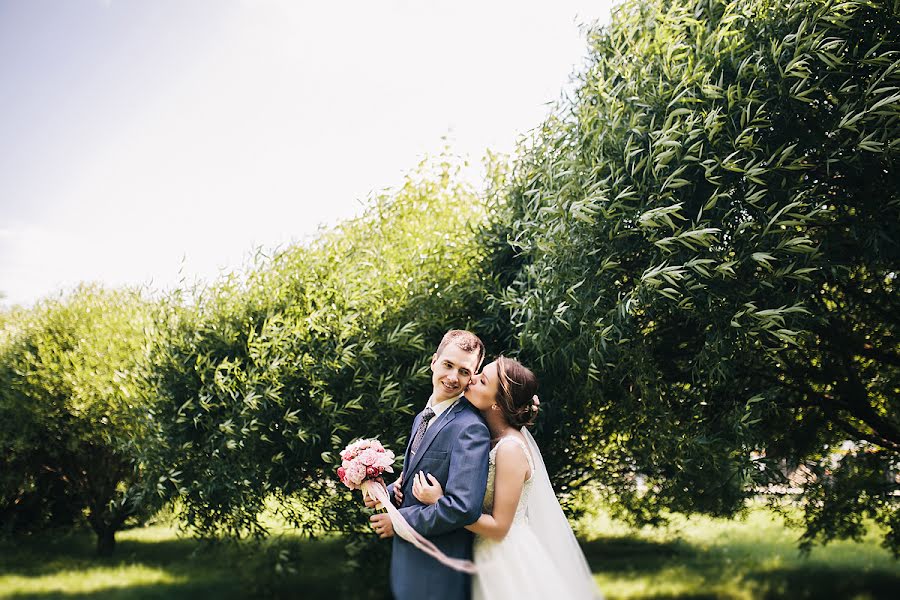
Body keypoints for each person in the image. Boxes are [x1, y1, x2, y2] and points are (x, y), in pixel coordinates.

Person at [408, 356, 601, 600]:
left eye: (482, 380)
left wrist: (440, 501)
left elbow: (499, 528)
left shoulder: (510, 450)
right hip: (477, 555)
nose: (472, 380)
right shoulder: (487, 436)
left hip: (502, 561)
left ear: (497, 404)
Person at [365, 330, 491, 600]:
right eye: (448, 365)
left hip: (439, 567)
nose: (453, 377)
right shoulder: (423, 416)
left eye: (464, 371)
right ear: (434, 361)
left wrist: (398, 522)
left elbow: (463, 508)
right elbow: (410, 482)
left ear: (473, 377)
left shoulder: (470, 428)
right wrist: (385, 493)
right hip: (410, 561)